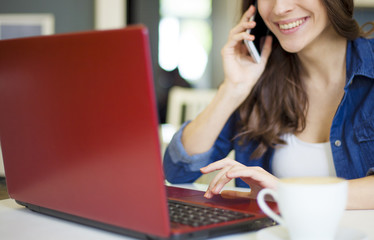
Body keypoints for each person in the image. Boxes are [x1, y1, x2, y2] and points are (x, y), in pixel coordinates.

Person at [163, 0, 374, 210]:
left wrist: (288, 193)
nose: (280, 9)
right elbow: (178, 170)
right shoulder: (259, 77)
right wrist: (232, 89)